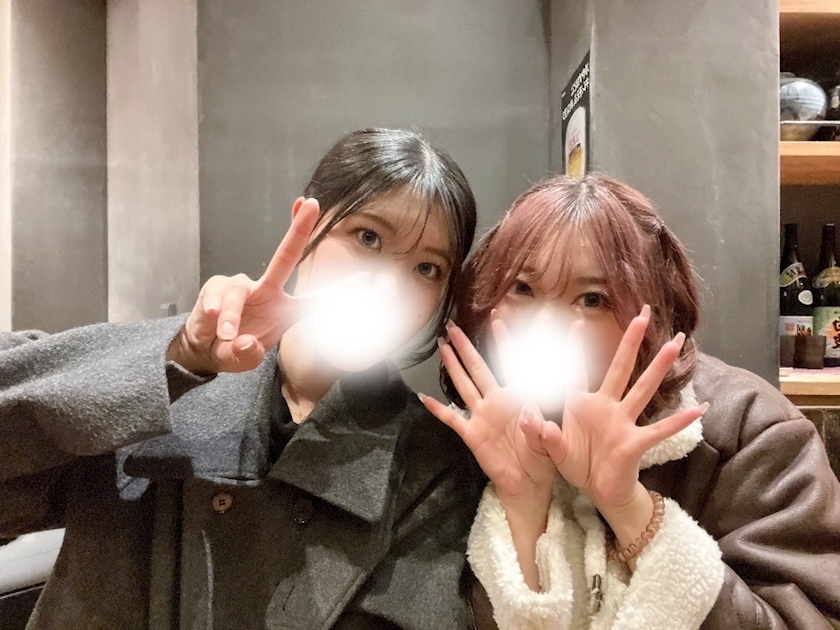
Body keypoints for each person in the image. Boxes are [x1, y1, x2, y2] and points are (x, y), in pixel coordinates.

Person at [0, 128, 484, 629]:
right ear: (306, 224)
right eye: (368, 238)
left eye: (427, 268)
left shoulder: (431, 463)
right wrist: (179, 356)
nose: (387, 287)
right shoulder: (164, 380)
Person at [421, 173, 840, 629]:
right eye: (523, 288)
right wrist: (524, 505)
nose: (546, 325)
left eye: (592, 299)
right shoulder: (457, 444)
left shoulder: (748, 429)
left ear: (654, 312)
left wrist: (631, 510)